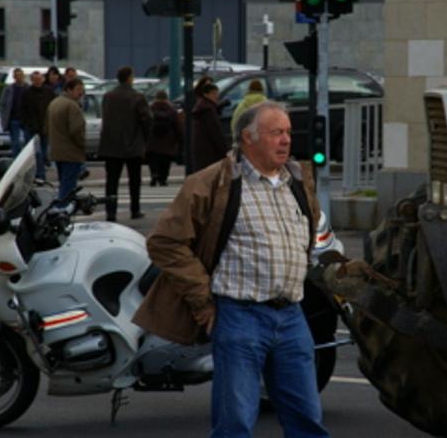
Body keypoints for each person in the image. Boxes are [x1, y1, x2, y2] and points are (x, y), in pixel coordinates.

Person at [133, 102, 329, 437]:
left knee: (308, 421)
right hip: (240, 317)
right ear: (248, 139)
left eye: (288, 133)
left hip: (292, 316)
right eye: (276, 133)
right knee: (234, 423)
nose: (286, 140)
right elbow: (165, 242)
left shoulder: (296, 180)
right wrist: (202, 300)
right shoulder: (213, 183)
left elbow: (307, 237)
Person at [98, 66, 152, 221]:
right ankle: (135, 210)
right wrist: (145, 139)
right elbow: (147, 119)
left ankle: (111, 211)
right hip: (132, 145)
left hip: (111, 145)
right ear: (129, 78)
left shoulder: (108, 96)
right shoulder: (137, 97)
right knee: (134, 180)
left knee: (112, 181)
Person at [47, 78, 86, 203]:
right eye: (78, 89)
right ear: (69, 90)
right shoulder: (72, 106)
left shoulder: (54, 103)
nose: (81, 93)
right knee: (68, 187)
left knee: (63, 183)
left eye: (82, 89)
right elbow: (76, 130)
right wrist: (83, 145)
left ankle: (60, 207)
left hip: (57, 150)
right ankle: (62, 210)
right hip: (71, 152)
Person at [21, 71, 55, 180]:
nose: (37, 81)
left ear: (43, 79)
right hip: (31, 127)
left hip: (45, 127)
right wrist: (26, 123)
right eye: (35, 79)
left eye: (39, 79)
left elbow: (53, 107)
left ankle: (40, 172)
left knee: (43, 153)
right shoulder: (27, 93)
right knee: (36, 153)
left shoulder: (49, 92)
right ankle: (40, 174)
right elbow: (22, 109)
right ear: (32, 80)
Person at [146, 89, 182, 187]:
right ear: (166, 98)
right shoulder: (172, 110)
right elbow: (177, 126)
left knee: (153, 160)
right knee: (165, 161)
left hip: (152, 141)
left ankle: (154, 174)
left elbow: (145, 123)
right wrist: (179, 140)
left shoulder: (150, 109)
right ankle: (163, 178)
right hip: (168, 142)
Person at [191, 83, 227, 172]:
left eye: (217, 93)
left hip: (203, 149)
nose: (216, 96)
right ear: (206, 94)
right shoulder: (208, 110)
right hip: (210, 151)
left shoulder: (202, 106)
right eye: (214, 94)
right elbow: (215, 131)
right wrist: (224, 150)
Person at [0, 67, 28, 157]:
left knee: (28, 141)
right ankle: (16, 160)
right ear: (14, 77)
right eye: (17, 75)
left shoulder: (28, 88)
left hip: (26, 119)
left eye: (21, 75)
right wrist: (3, 117)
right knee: (16, 142)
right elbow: (2, 103)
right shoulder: (9, 89)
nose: (19, 77)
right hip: (14, 119)